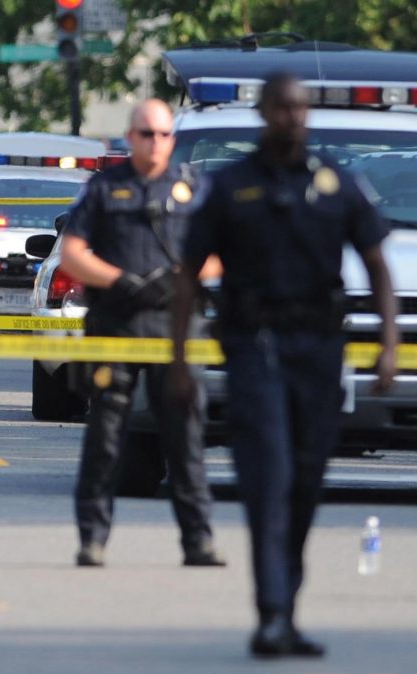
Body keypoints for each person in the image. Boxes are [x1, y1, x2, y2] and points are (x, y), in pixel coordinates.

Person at [170, 73, 398, 657]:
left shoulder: (334, 182)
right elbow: (188, 275)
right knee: (267, 478)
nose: (292, 117)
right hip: (255, 348)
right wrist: (177, 361)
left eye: (300, 108)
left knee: (303, 483)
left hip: (319, 352)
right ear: (265, 112)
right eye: (282, 107)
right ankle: (271, 613)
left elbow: (376, 262)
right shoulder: (230, 186)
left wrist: (390, 343)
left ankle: (286, 611)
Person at [60, 99, 226, 568]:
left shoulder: (193, 189)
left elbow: (225, 253)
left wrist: (182, 277)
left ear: (172, 139)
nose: (155, 143)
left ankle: (199, 541)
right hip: (115, 330)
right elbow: (73, 252)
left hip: (174, 334)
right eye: (146, 134)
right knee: (106, 440)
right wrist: (118, 280)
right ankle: (92, 539)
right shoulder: (103, 188)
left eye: (163, 134)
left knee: (185, 440)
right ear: (130, 137)